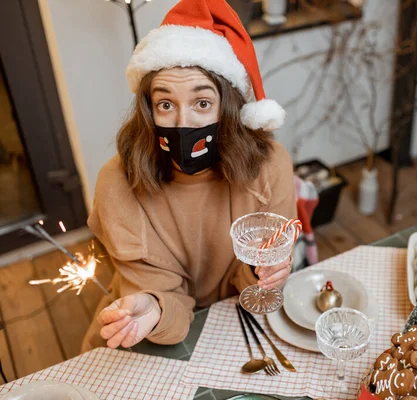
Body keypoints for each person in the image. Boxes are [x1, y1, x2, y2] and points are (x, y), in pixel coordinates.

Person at [81, 0, 295, 352]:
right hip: (145, 335)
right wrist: (153, 307)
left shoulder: (270, 167)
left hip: (236, 325)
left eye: (202, 103)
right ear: (149, 110)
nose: (183, 124)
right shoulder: (117, 183)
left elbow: (254, 289)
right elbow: (168, 310)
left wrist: (264, 275)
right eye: (166, 104)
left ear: (227, 108)